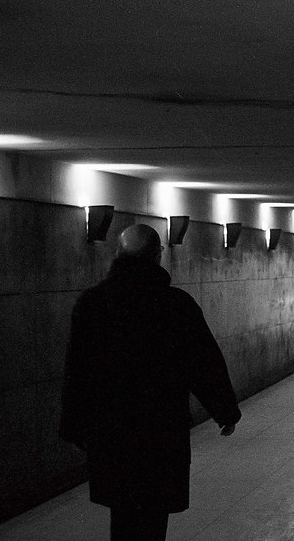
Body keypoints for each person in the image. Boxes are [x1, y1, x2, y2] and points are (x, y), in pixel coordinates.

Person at [60, 224, 241, 540]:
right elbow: (203, 362)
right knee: (153, 512)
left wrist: (73, 422)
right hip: (160, 427)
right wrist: (224, 410)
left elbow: (78, 368)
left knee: (123, 508)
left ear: (118, 254)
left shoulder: (93, 304)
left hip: (110, 427)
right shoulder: (175, 305)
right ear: (158, 256)